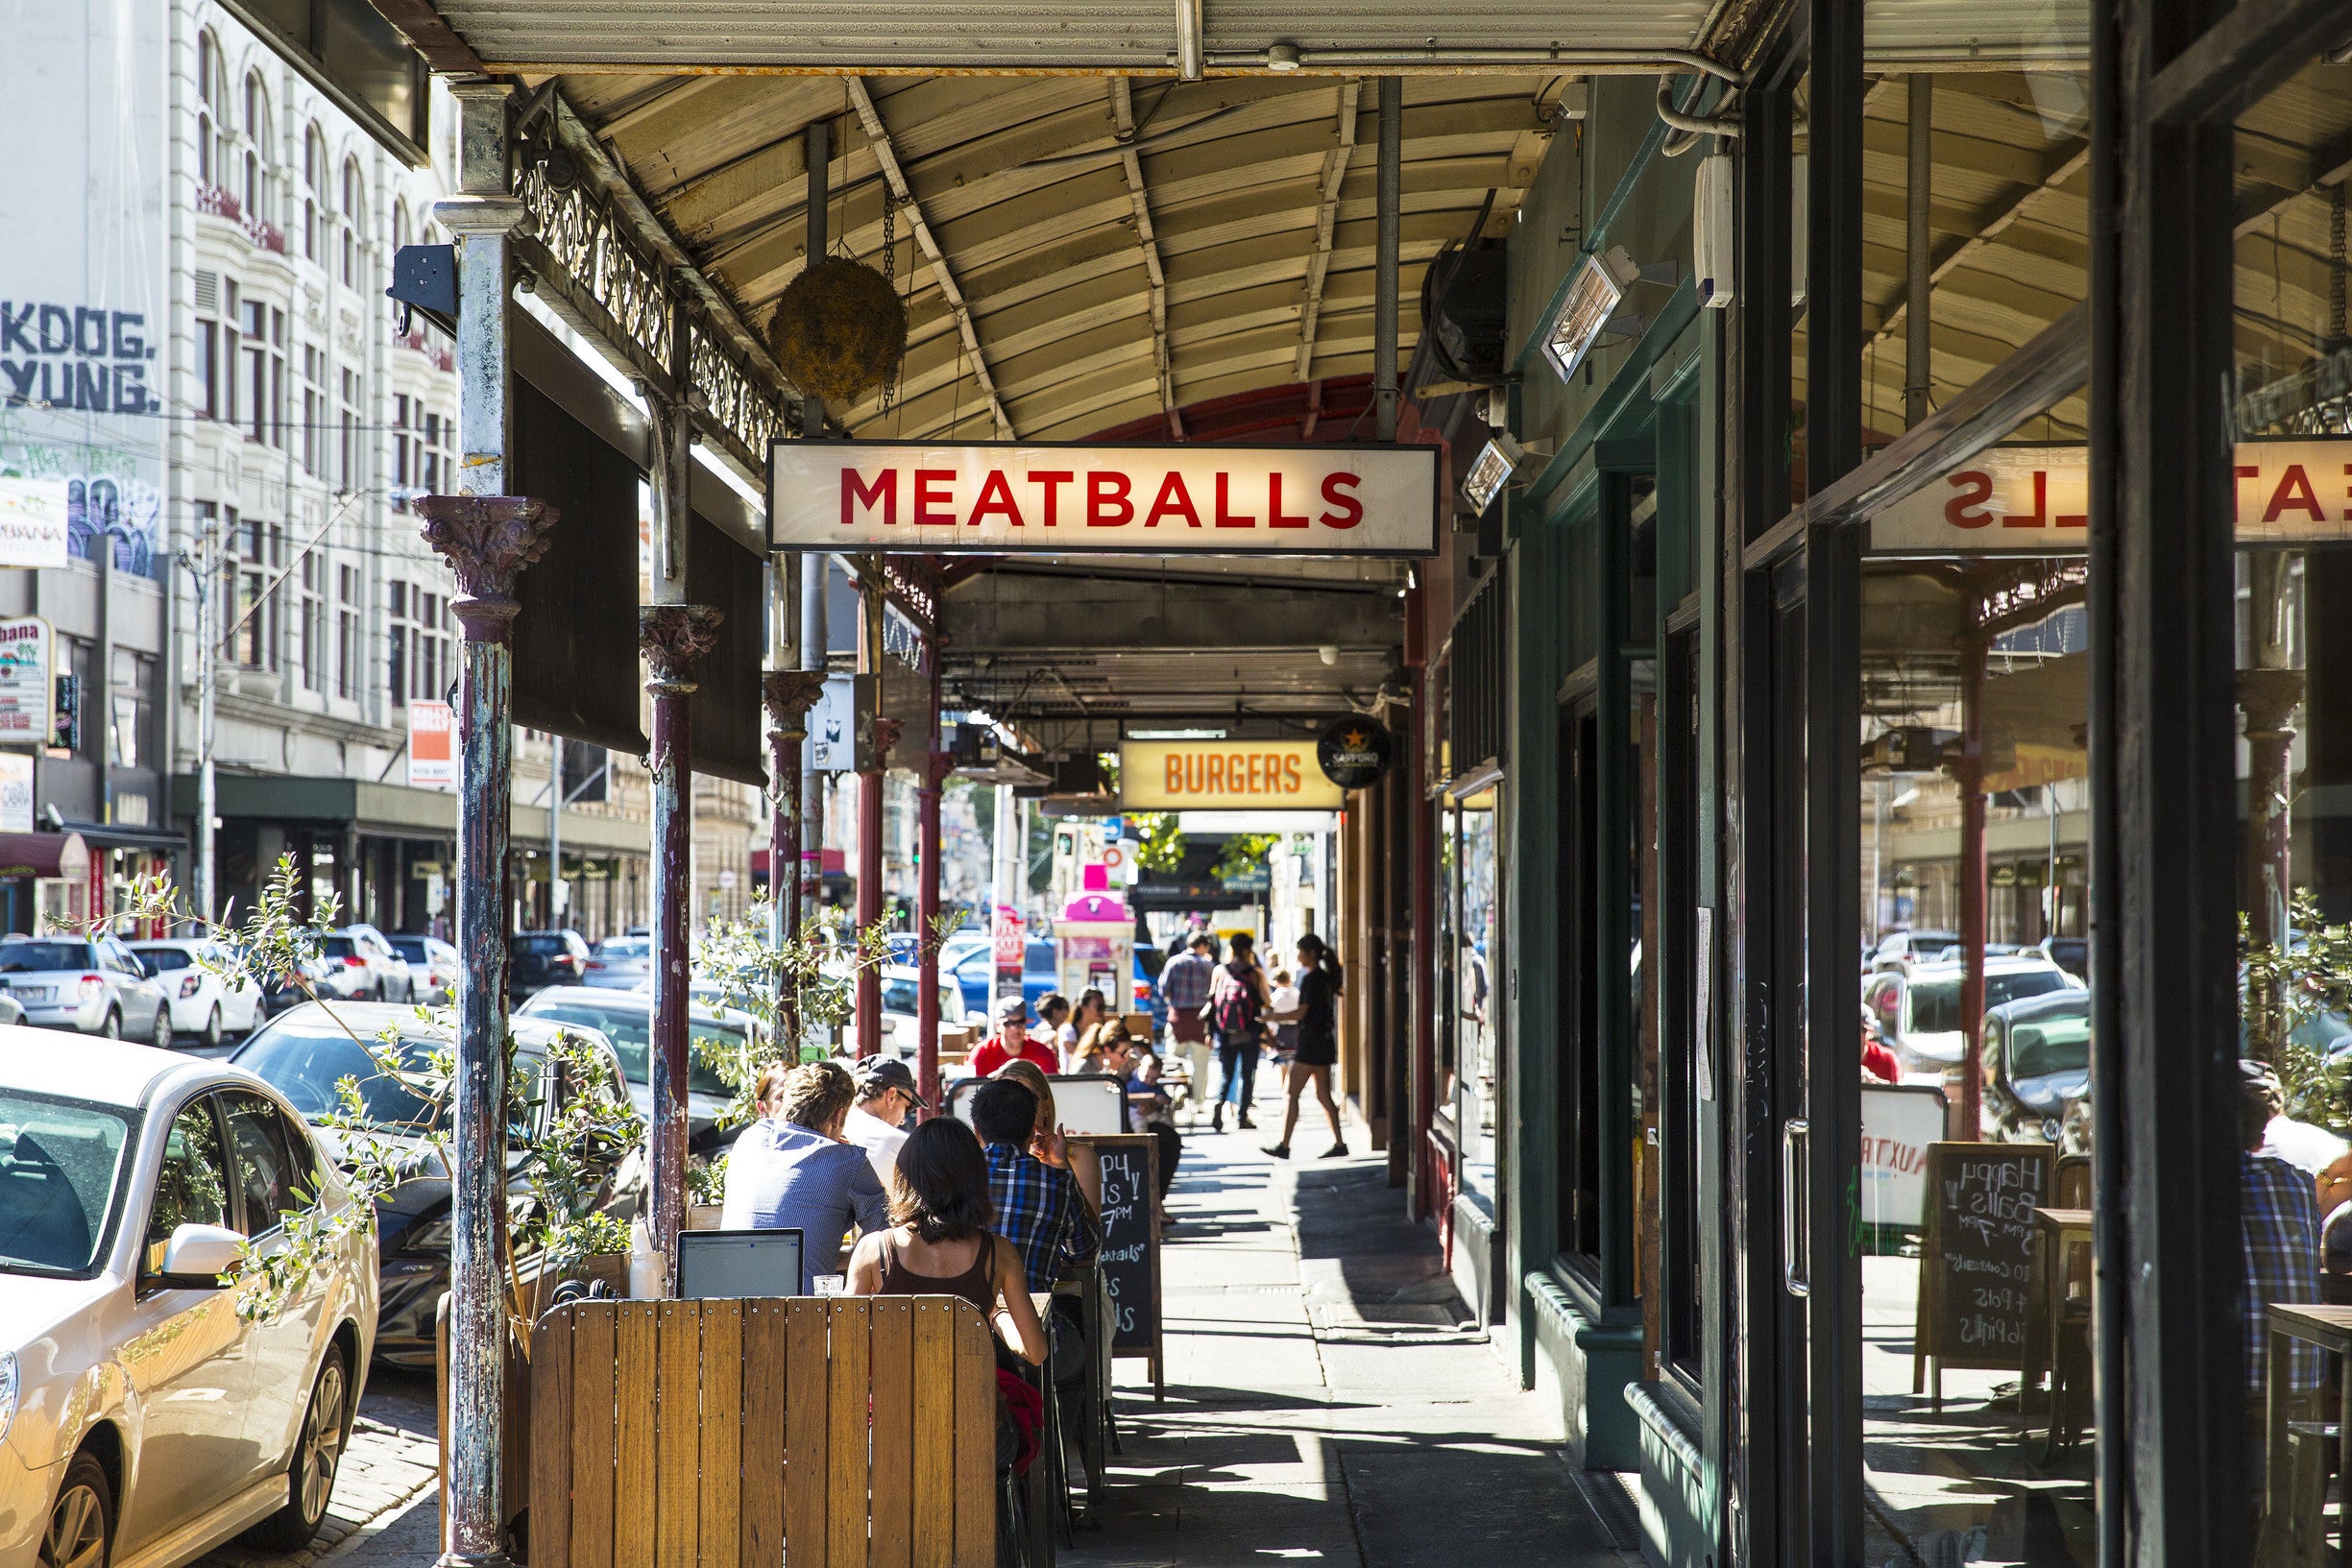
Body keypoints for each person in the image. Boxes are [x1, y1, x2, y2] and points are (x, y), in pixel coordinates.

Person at [844, 1118, 1047, 1364]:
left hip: (893, 1400)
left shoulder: (874, 1250)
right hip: (974, 1401)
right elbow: (1036, 1353)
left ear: (906, 1176)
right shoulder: (998, 1253)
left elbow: (843, 1347)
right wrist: (993, 1316)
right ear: (975, 1179)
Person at [719, 1060, 889, 1292]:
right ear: (838, 1117)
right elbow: (887, 1240)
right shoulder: (847, 1161)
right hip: (805, 1314)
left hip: (725, 1307)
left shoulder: (748, 1140)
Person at [2243, 1063, 2323, 1443]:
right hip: (2303, 1370)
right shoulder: (2301, 1183)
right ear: (2260, 1138)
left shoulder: (2194, 1184)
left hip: (2229, 1372)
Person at [973, 1077, 1099, 1292]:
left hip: (959, 1319)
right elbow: (1084, 1252)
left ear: (976, 1131)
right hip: (1032, 1318)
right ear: (1033, 1133)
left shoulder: (952, 1176)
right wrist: (1061, 1165)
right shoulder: (1056, 1181)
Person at [1262, 934, 1346, 1159]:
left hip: (1311, 1043)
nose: (1298, 955)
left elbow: (1302, 1012)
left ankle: (1285, 1146)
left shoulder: (1312, 979)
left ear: (1311, 953)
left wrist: (1273, 1017)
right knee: (1323, 1095)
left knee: (1292, 1093)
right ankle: (1339, 1143)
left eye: (1300, 951)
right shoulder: (1324, 977)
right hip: (1324, 1042)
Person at [1207, 932, 1271, 1132]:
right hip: (1250, 1030)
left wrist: (1209, 1031)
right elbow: (1265, 1001)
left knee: (1226, 1073)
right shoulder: (1254, 973)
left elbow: (1212, 1001)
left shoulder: (1219, 970)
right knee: (1247, 1073)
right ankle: (1243, 1117)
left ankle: (1218, 1110)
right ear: (1247, 949)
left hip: (1226, 1031)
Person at [1159, 933, 1216, 1125]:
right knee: (1201, 1064)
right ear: (1202, 946)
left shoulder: (1173, 963)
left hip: (1178, 1019)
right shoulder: (1208, 966)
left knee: (1174, 1061)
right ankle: (1199, 1102)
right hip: (1201, 1021)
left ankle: (1177, 1093)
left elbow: (1163, 989)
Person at [842, 1056, 925, 1186]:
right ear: (891, 1095)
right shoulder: (900, 1142)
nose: (903, 1120)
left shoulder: (833, 1128)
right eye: (907, 1106)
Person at [971, 992, 1057, 1076]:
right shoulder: (982, 1052)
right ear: (998, 1026)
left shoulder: (1043, 1053)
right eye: (1008, 1023)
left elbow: (1051, 1088)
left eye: (1020, 1022)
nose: (1015, 1028)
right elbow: (974, 1088)